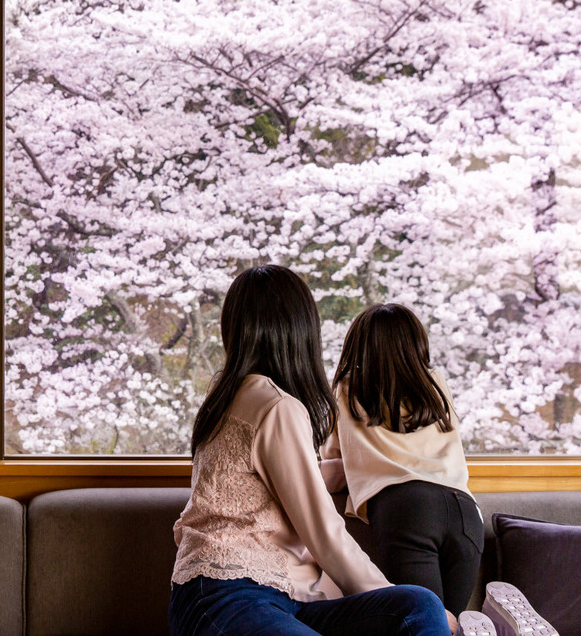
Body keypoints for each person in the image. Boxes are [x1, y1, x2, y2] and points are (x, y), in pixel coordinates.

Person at [169, 265, 454, 636]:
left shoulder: (226, 396)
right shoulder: (275, 405)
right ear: (299, 330)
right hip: (227, 596)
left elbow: (277, 483)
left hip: (281, 599)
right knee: (424, 609)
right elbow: (324, 532)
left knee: (417, 606)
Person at [319, 303, 492, 634]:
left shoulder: (347, 388)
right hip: (465, 513)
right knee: (444, 625)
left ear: (359, 345)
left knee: (428, 625)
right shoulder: (436, 385)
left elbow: (333, 460)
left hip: (407, 509)